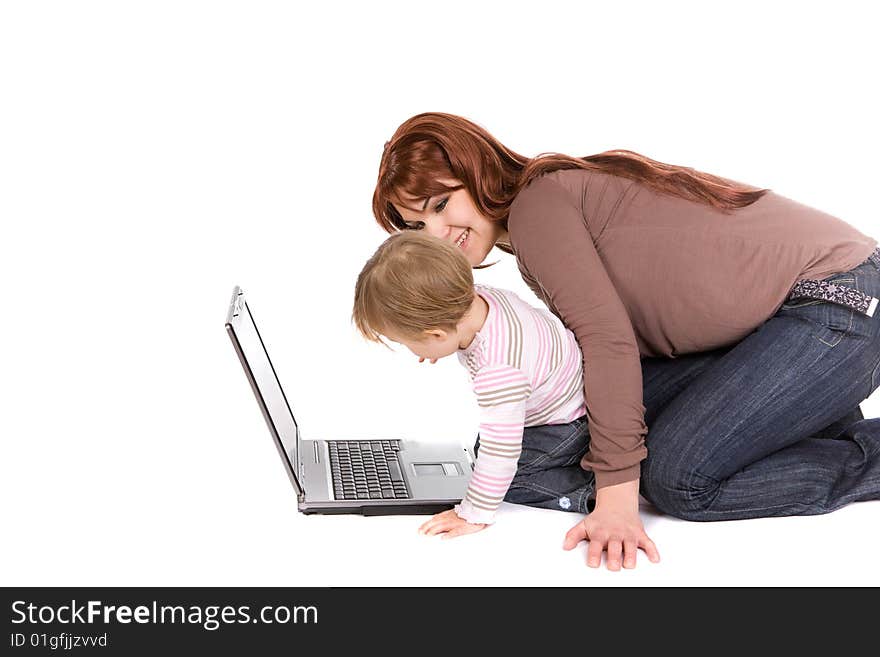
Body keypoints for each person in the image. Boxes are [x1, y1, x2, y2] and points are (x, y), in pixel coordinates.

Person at [369, 111, 880, 570]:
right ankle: (812, 414)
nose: (437, 233)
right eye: (418, 224)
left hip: (840, 302)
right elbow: (602, 351)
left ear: (476, 169)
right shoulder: (536, 216)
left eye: (441, 203)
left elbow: (605, 341)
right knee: (617, 423)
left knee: (678, 482)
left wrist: (616, 498)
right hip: (786, 321)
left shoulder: (536, 208)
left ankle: (855, 444)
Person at [352, 231, 597, 536]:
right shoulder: (479, 297)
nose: (412, 350)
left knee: (509, 477)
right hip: (570, 386)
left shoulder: (498, 368)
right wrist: (434, 345)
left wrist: (474, 512)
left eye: (408, 343)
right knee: (482, 454)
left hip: (568, 421)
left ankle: (590, 487)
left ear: (437, 335)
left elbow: (501, 450)